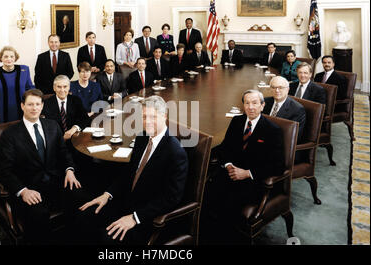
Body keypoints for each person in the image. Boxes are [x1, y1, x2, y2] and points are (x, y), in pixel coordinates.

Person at [70, 95, 188, 244]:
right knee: (84, 216)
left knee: (106, 239)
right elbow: (129, 173)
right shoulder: (142, 137)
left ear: (164, 116)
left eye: (153, 116)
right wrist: (107, 194)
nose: (148, 121)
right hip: (125, 201)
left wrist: (135, 217)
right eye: (144, 117)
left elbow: (171, 197)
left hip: (146, 215)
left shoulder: (175, 152)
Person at [200, 89, 284, 244]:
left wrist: (247, 173)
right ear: (243, 105)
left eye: (255, 103)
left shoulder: (273, 130)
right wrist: (228, 164)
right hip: (230, 173)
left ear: (262, 105)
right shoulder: (237, 121)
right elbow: (225, 148)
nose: (250, 107)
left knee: (228, 205)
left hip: (253, 181)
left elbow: (278, 165)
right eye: (247, 103)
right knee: (205, 194)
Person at [0, 89, 81, 244]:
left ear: (42, 106)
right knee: (38, 215)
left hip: (56, 181)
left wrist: (69, 170)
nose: (34, 108)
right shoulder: (10, 134)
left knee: (78, 198)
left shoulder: (52, 125)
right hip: (30, 187)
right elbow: (4, 170)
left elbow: (64, 153)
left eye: (37, 104)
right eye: (30, 104)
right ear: (22, 106)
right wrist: (22, 191)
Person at [0, 46, 35, 125]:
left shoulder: (24, 70)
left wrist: (33, 106)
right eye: (6, 56)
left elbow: (30, 90)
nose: (9, 59)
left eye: (12, 56)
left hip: (23, 112)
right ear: (1, 58)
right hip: (1, 114)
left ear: (15, 58)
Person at [42, 75, 90, 144]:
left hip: (76, 139)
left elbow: (86, 119)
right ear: (54, 88)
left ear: (69, 87)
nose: (62, 90)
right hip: (55, 143)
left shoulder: (76, 100)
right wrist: (62, 139)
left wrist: (75, 128)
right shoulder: (46, 104)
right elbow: (46, 127)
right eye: (59, 87)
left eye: (65, 87)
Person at [263, 76, 306, 142]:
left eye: (280, 88)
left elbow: (294, 136)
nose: (277, 90)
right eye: (274, 87)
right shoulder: (265, 102)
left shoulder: (297, 109)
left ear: (288, 89)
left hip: (279, 144)